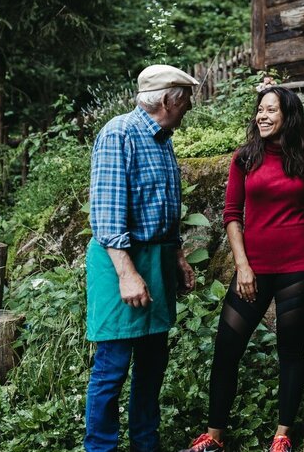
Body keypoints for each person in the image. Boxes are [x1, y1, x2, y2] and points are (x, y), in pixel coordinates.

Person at [181, 86, 304, 452]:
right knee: (227, 349)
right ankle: (213, 438)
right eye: (260, 110)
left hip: (298, 268)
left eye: (271, 110)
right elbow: (232, 214)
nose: (262, 116)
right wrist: (242, 265)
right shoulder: (245, 158)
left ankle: (281, 437)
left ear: (288, 116)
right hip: (252, 270)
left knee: (290, 352)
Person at [84, 64, 199, 452]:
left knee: (152, 365)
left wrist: (178, 256)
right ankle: (100, 447)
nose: (189, 108)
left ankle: (145, 445)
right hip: (122, 262)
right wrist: (127, 274)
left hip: (158, 259)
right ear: (167, 100)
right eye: (185, 101)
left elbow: (165, 207)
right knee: (113, 367)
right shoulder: (119, 133)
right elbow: (106, 214)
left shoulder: (163, 139)